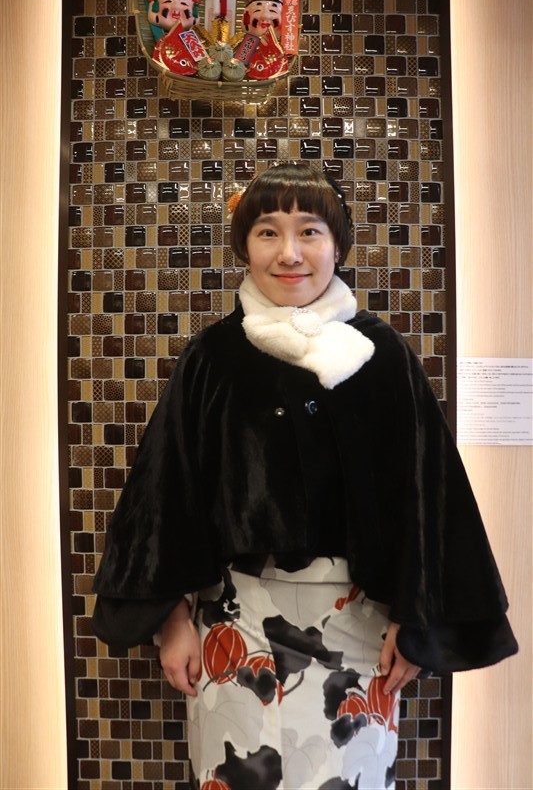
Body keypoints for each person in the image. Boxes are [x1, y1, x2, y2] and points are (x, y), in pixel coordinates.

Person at [93, 163, 517, 790]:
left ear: (338, 245)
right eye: (268, 232)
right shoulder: (214, 356)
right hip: (233, 625)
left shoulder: (382, 355)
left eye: (310, 232)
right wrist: (170, 620)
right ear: (244, 247)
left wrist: (417, 620)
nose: (289, 253)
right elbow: (165, 494)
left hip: (362, 629)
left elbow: (429, 497)